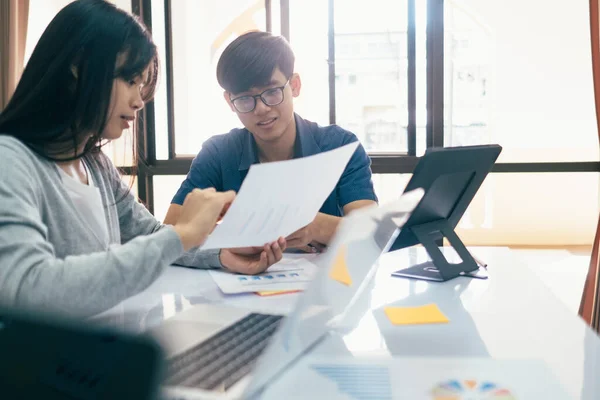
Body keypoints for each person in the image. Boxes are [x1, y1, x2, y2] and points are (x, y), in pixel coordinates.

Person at [0, 0, 286, 318]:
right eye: (130, 80)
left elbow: (149, 234)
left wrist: (223, 254)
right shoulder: (9, 162)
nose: (139, 101)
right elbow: (28, 287)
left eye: (141, 84)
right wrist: (183, 233)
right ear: (78, 67)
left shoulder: (93, 163)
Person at [164, 31, 378, 271]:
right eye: (245, 99)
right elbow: (171, 234)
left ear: (294, 85)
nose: (261, 109)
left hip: (325, 293)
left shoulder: (340, 145)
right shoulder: (218, 153)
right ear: (229, 101)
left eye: (272, 92)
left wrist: (315, 226)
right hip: (236, 291)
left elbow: (372, 231)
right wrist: (238, 235)